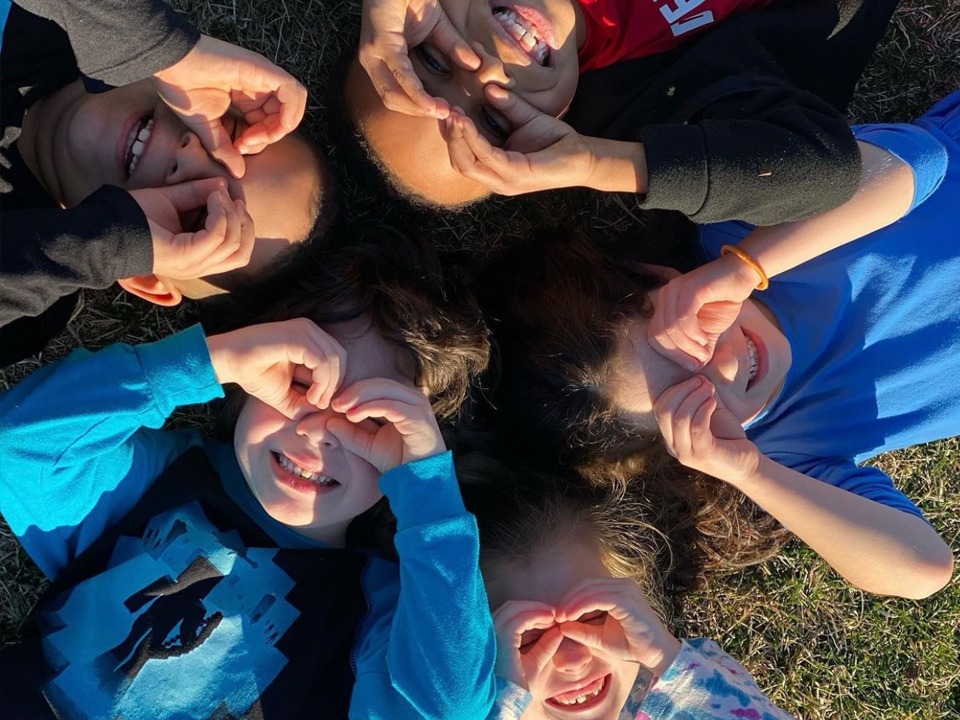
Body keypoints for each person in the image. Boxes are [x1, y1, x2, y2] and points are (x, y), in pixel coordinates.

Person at [0, 230, 495, 719]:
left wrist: (428, 494)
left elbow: (447, 709)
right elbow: (17, 448)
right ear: (251, 376)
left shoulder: (378, 608)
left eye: (372, 420)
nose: (319, 432)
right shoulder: (158, 476)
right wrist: (208, 362)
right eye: (301, 382)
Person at [484, 92, 959, 600]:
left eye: (682, 342)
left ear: (659, 276)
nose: (724, 368)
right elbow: (923, 568)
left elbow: (919, 161)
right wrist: (751, 472)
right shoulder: (789, 448)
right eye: (691, 402)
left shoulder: (744, 224)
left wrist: (745, 267)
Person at [344, 0, 897, 221]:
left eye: (434, 60)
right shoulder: (652, 99)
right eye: (493, 121)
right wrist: (594, 162)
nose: (485, 72)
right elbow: (825, 165)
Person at [0, 0, 331, 366]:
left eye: (200, 216)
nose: (190, 155)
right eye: (231, 137)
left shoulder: (29, 301)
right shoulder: (65, 21)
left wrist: (103, 245)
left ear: (145, 276)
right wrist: (164, 51)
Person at [457, 454, 798, 719]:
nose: (573, 659)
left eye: (594, 616)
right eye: (527, 639)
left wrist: (666, 658)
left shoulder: (691, 682)